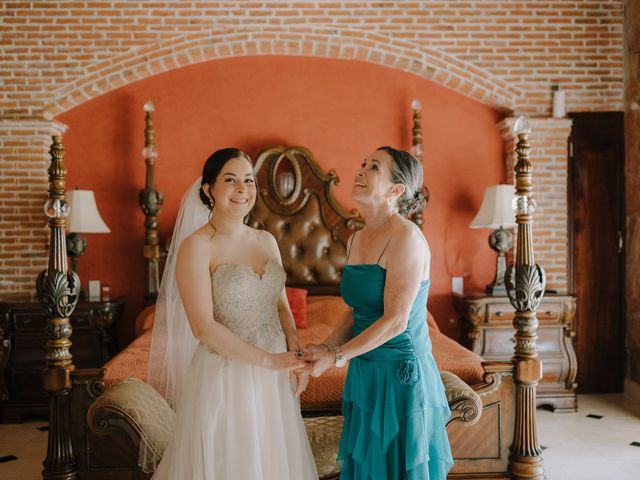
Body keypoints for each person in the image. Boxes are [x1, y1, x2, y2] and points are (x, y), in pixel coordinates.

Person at [146, 148, 318, 479]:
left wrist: (294, 354)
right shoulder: (197, 246)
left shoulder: (266, 240)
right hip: (226, 374)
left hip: (275, 374)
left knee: (272, 459)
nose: (242, 188)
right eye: (230, 180)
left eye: (249, 180)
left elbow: (281, 305)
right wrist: (269, 360)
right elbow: (202, 327)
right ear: (208, 189)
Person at [303, 146, 453, 479]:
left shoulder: (407, 239)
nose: (359, 171)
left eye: (373, 167)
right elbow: (358, 311)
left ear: (396, 191)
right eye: (362, 163)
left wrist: (338, 357)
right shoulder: (356, 238)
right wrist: (327, 348)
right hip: (366, 372)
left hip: (401, 377)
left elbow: (396, 321)